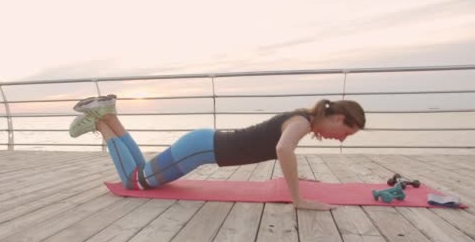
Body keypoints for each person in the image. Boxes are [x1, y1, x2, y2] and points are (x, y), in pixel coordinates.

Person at [69, 95, 365, 210]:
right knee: (135, 182)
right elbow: (282, 148)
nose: (341, 140)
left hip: (201, 145)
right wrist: (298, 200)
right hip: (199, 149)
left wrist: (296, 182)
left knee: (142, 171)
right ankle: (99, 121)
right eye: (346, 134)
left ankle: (108, 115)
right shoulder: (301, 122)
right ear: (339, 119)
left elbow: (281, 147)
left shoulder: (301, 118)